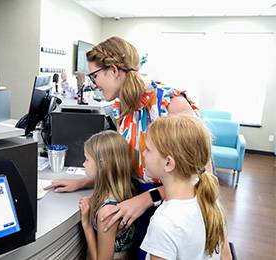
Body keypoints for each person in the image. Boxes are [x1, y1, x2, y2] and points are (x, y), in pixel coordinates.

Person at [46, 36, 201, 258]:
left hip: (168, 205)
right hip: (136, 202)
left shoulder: (170, 103)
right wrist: (83, 182)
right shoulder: (123, 108)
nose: (93, 83)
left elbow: (201, 176)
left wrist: (148, 198)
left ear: (115, 70)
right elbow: (128, 164)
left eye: (95, 75)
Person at [141, 115, 228, 259]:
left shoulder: (164, 222)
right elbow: (226, 256)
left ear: (168, 163)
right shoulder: (211, 202)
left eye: (148, 150)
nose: (143, 153)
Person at [79, 130, 135, 260]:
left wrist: (86, 225)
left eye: (87, 159)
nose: (83, 164)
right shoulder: (123, 190)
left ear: (102, 165)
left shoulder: (108, 213)